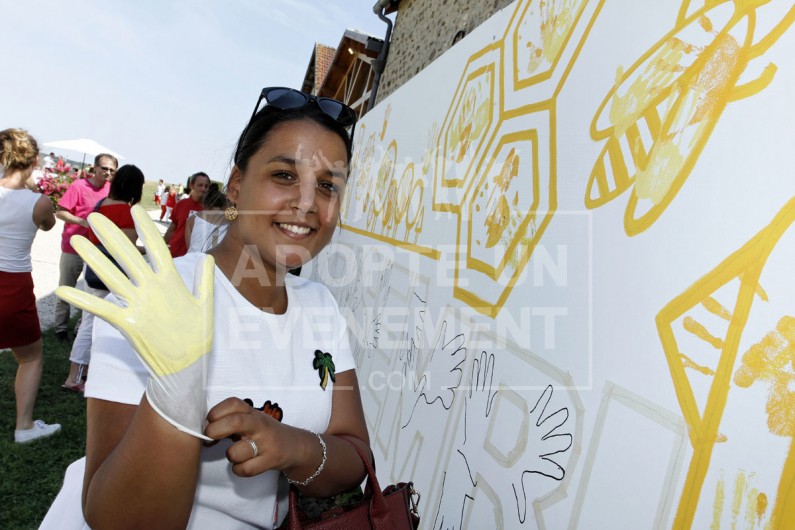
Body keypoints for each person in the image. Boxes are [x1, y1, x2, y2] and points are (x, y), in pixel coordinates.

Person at [44, 87, 366, 528]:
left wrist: (291, 446)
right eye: (284, 176)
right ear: (236, 185)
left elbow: (355, 454)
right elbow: (115, 518)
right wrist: (175, 396)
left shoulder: (321, 306)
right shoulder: (157, 296)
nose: (308, 203)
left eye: (328, 185)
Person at [0, 128, 61, 443]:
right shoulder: (39, 202)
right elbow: (48, 224)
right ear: (35, 159)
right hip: (13, 285)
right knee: (30, 356)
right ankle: (24, 426)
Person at [61, 165, 146, 392]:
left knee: (89, 321)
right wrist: (145, 251)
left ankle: (82, 372)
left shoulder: (100, 207)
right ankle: (75, 377)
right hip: (113, 277)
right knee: (99, 325)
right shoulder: (127, 212)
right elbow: (124, 248)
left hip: (94, 272)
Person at [52, 152, 117, 342]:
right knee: (66, 288)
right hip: (73, 246)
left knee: (91, 291)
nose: (107, 173)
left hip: (97, 249)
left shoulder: (112, 191)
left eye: (112, 170)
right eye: (104, 168)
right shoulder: (79, 186)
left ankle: (81, 328)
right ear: (94, 168)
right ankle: (60, 328)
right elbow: (60, 212)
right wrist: (84, 222)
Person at [163, 171, 210, 258]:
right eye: (200, 185)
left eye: (206, 186)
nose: (203, 189)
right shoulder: (181, 204)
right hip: (174, 253)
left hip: (194, 257)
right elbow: (172, 229)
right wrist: (161, 246)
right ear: (192, 186)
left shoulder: (209, 209)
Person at [185, 182, 231, 253]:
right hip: (215, 262)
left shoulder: (193, 218)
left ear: (204, 203)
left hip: (192, 260)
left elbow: (190, 246)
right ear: (224, 203)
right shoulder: (231, 222)